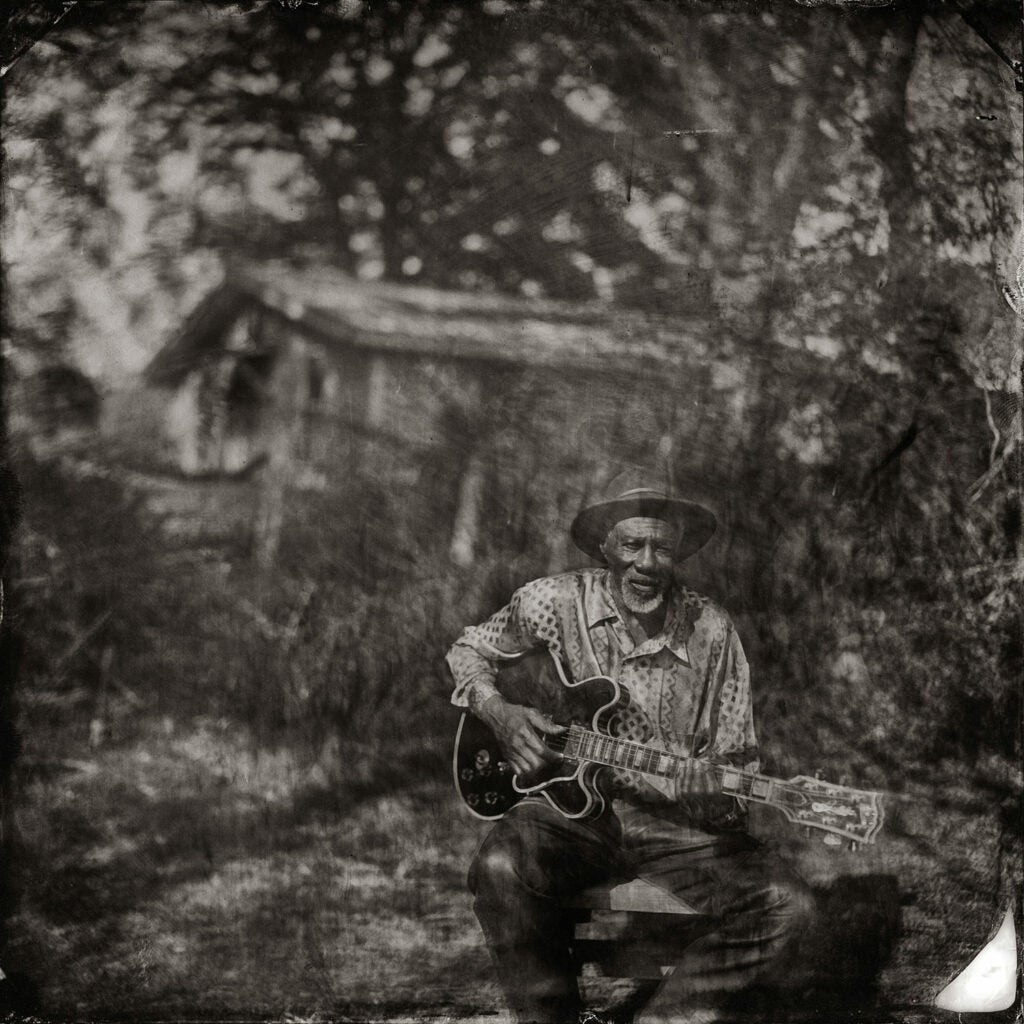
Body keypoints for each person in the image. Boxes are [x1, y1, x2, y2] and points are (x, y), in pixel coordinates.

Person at [446, 488, 814, 1024]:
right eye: (633, 544)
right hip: (569, 810)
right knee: (501, 866)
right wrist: (500, 714)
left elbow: (737, 759)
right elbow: (470, 649)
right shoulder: (551, 602)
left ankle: (666, 1018)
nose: (647, 563)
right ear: (605, 547)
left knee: (789, 906)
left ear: (679, 554)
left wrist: (711, 799)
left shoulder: (712, 630)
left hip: (680, 826)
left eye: (662, 549)